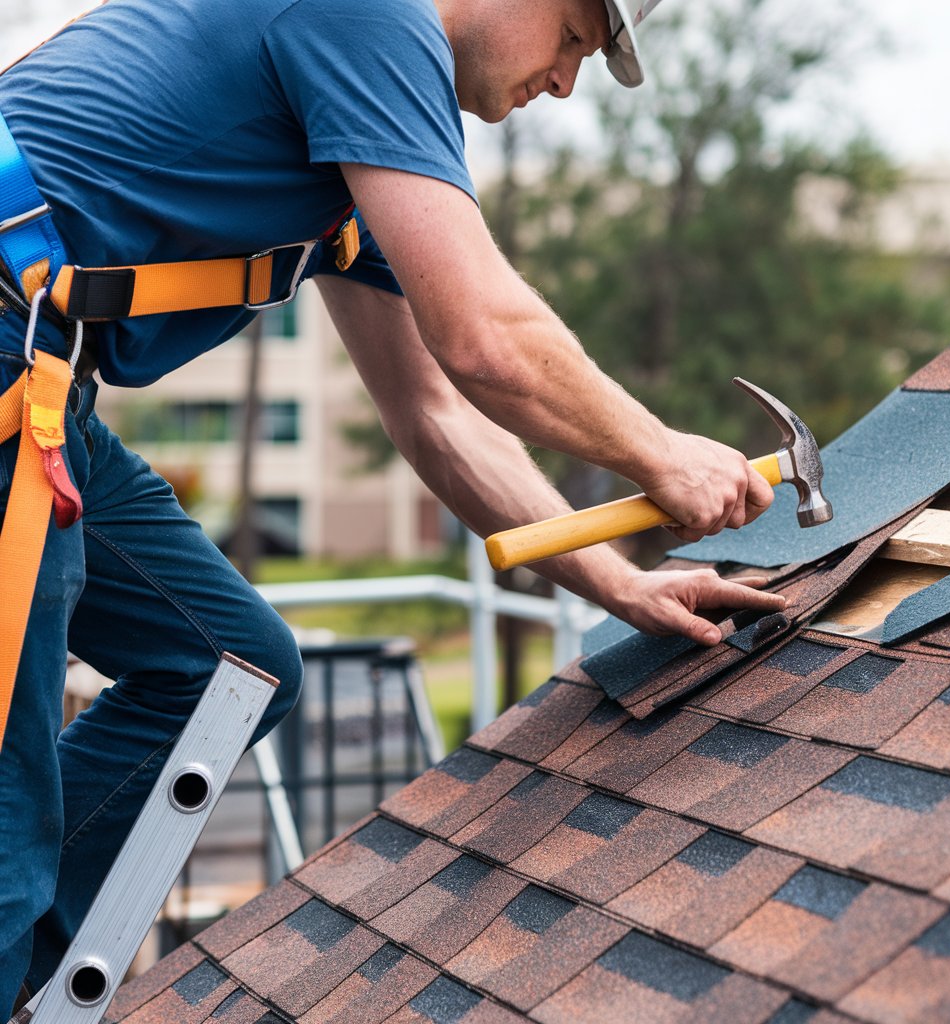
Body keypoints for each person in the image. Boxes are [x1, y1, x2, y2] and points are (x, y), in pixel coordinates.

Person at [0, 0, 786, 1011]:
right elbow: (486, 341)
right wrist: (660, 453)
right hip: (15, 368)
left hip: (42, 387)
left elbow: (436, 415)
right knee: (9, 808)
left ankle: (21, 966)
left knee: (228, 663)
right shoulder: (367, 17)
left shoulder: (367, 130)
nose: (564, 84)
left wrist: (618, 585)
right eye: (576, 42)